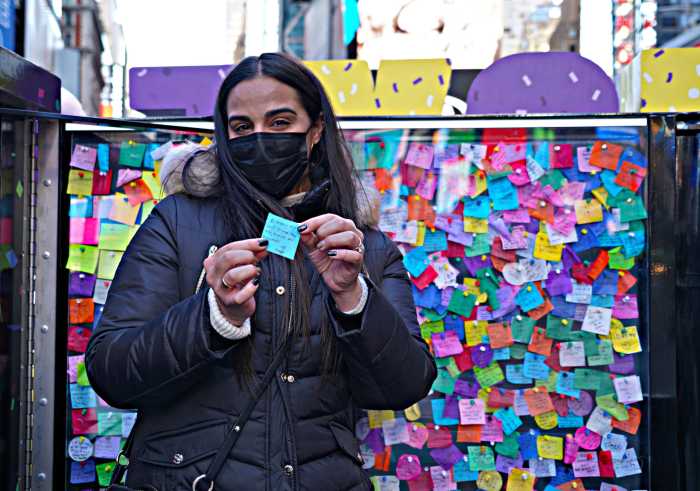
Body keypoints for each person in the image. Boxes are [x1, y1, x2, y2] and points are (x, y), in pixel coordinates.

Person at [86, 52, 436, 491]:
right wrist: (214, 317)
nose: (261, 139)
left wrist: (353, 299)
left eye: (280, 122)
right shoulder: (178, 222)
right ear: (224, 135)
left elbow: (403, 385)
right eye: (242, 128)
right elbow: (113, 373)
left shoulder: (362, 246)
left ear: (315, 131)